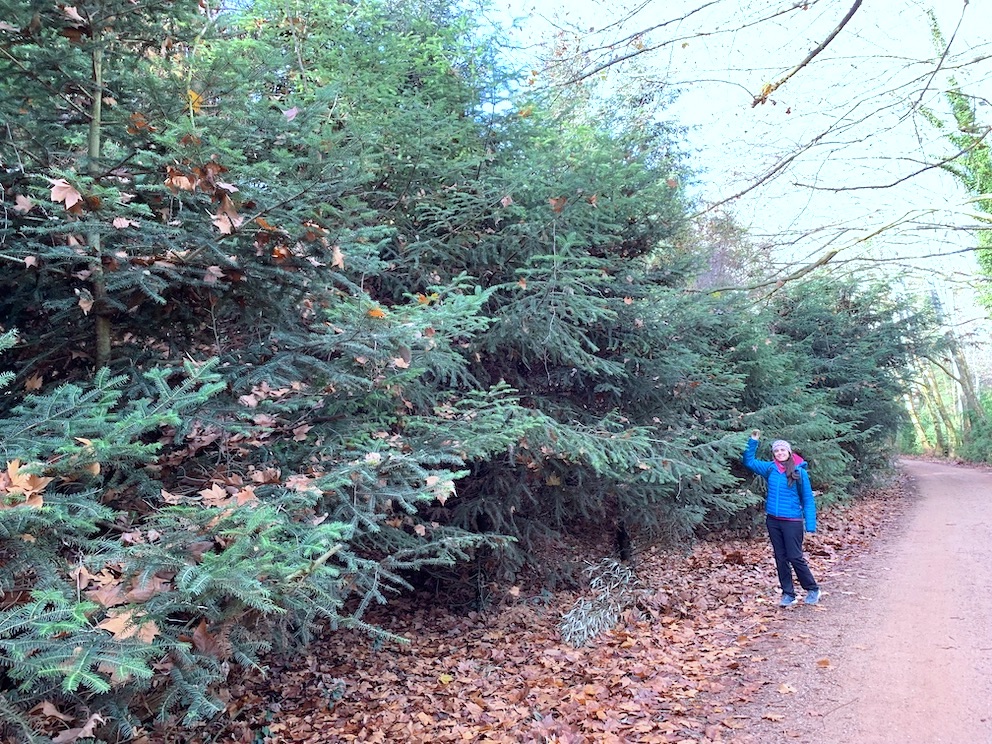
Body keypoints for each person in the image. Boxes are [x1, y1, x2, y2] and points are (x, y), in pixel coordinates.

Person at [742, 429, 820, 607]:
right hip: (773, 520)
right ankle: (788, 594)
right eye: (776, 451)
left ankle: (812, 589)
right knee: (780, 557)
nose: (779, 453)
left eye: (783, 450)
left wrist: (810, 525)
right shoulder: (770, 468)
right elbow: (749, 461)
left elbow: (807, 499)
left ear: (789, 452)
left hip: (792, 521)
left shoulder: (800, 472)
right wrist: (753, 441)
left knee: (795, 556)